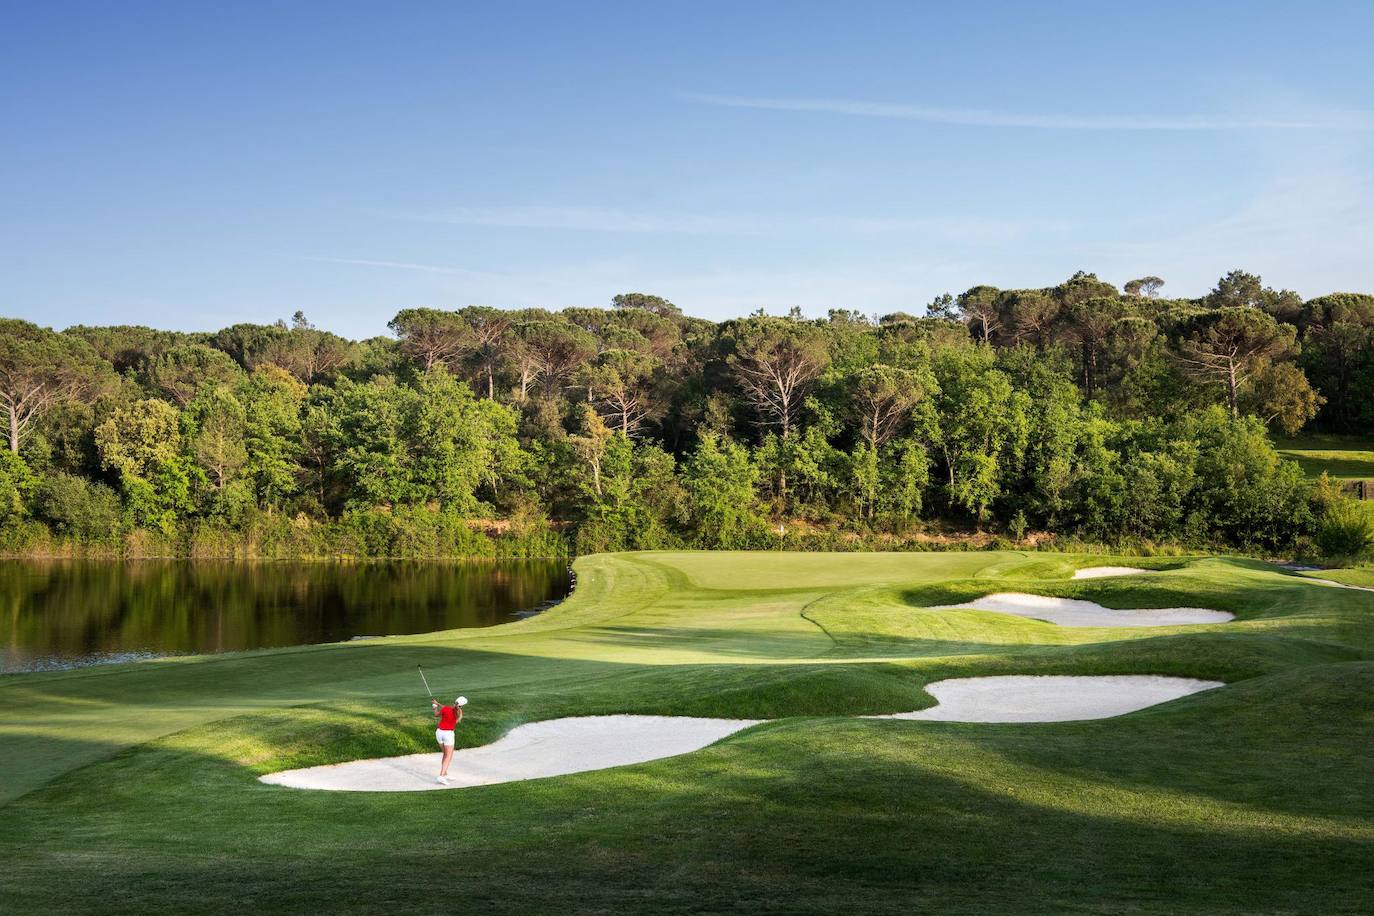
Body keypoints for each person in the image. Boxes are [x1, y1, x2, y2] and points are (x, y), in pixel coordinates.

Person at [431, 696, 465, 784]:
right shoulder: (459, 713)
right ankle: (441, 776)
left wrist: (435, 707)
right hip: (448, 735)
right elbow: (449, 708)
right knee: (448, 756)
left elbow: (437, 713)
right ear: (462, 705)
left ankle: (445, 774)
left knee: (445, 754)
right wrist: (438, 703)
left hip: (439, 733)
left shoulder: (446, 709)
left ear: (455, 702)